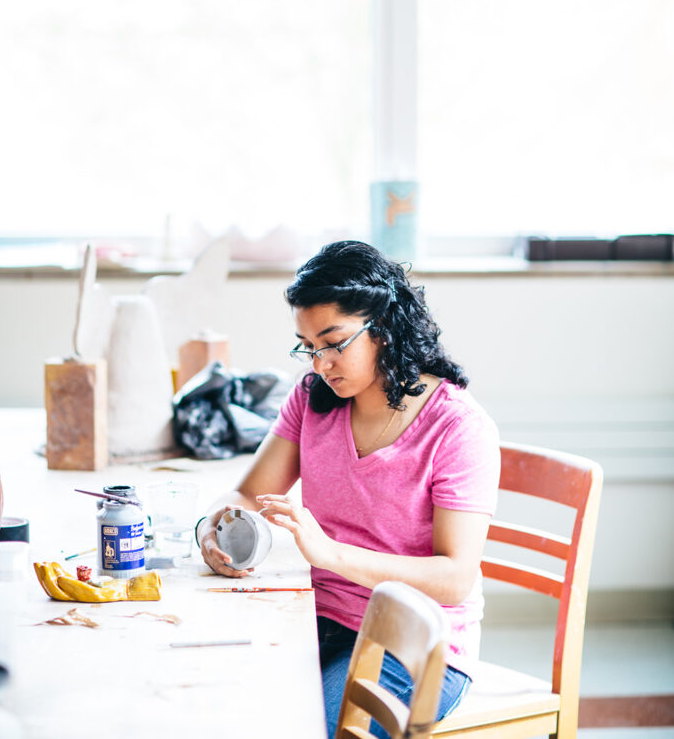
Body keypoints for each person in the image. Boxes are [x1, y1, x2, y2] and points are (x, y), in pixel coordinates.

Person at [196, 240, 500, 738]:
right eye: (307, 345)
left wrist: (331, 554)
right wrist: (210, 531)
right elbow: (245, 496)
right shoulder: (313, 398)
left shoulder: (458, 428)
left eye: (334, 343)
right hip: (313, 616)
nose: (320, 364)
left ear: (383, 326)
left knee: (304, 727)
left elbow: (455, 578)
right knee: (217, 700)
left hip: (414, 646)